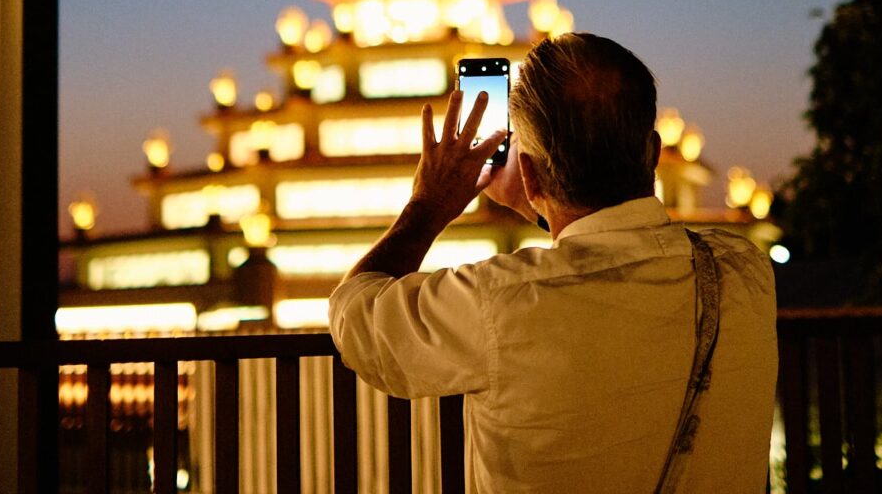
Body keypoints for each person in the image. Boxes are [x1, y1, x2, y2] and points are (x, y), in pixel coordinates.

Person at [330, 32, 778, 493]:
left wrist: (430, 204)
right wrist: (538, 201)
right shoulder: (743, 271)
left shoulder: (499, 302)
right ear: (653, 153)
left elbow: (354, 314)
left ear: (528, 173)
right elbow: (613, 243)